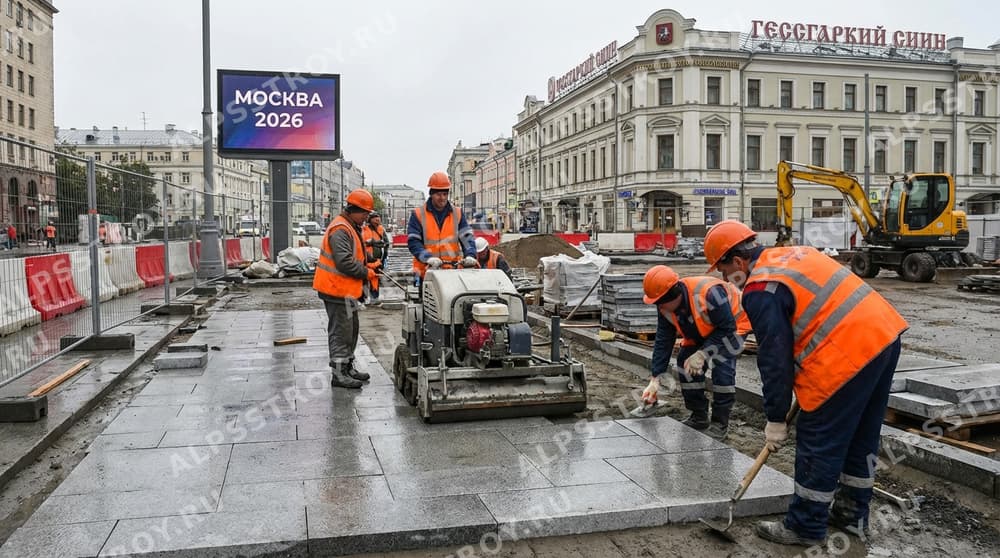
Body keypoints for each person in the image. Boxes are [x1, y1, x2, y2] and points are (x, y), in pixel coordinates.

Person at [703, 220, 907, 546]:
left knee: (818, 438)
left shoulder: (760, 287)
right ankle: (852, 517)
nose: (727, 281)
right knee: (860, 436)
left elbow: (774, 359)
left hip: (846, 354)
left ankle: (805, 526)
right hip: (883, 336)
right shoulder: (793, 254)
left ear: (738, 262)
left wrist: (774, 418)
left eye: (725, 272)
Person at [640, 265, 751, 440]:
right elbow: (664, 340)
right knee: (685, 360)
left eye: (661, 302)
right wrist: (655, 379)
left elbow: (727, 328)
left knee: (722, 369)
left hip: (734, 327)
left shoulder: (709, 294)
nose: (659, 306)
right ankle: (699, 416)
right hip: (703, 329)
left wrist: (702, 354)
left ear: (674, 294)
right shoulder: (664, 305)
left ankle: (719, 424)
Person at [313, 188, 380, 389]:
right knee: (341, 331)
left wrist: (370, 261)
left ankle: (348, 366)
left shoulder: (350, 225)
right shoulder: (341, 229)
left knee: (351, 330)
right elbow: (345, 262)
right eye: (365, 214)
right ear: (353, 210)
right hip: (336, 289)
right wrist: (366, 272)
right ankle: (339, 373)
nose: (367, 218)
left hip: (346, 290)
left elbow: (355, 254)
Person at [407, 171, 476, 280]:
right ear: (431, 194)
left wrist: (470, 255)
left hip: (452, 272)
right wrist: (427, 258)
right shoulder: (418, 214)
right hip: (426, 271)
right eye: (438, 194)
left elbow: (467, 238)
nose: (442, 198)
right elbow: (413, 242)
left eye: (445, 194)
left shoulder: (457, 213)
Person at [362, 212, 389, 303]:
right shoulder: (364, 230)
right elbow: (361, 244)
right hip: (366, 260)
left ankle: (374, 298)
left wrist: (383, 258)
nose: (377, 221)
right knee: (364, 279)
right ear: (370, 220)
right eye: (375, 219)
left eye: (378, 219)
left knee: (375, 279)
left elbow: (386, 243)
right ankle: (363, 298)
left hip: (377, 260)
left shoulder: (381, 230)